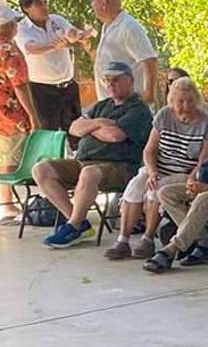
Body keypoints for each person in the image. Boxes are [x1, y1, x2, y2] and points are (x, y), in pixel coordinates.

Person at [31, 61, 152, 248]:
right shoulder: (102, 106)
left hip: (120, 165)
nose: (110, 84)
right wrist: (100, 123)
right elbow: (74, 128)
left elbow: (115, 135)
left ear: (130, 81)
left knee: (89, 173)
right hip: (84, 160)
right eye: (107, 80)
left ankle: (73, 225)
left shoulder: (138, 109)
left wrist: (89, 128)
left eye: (116, 79)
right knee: (41, 169)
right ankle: (78, 223)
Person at [103, 77, 208, 260]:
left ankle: (148, 239)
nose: (185, 106)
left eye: (190, 101)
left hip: (185, 174)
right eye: (180, 101)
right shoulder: (164, 115)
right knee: (135, 187)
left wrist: (192, 176)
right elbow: (149, 151)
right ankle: (123, 240)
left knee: (155, 189)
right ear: (172, 101)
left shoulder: (207, 123)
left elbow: (205, 162)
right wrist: (152, 171)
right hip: (158, 169)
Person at [144, 137, 208, 274]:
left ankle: (172, 248)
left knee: (204, 198)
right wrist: (192, 181)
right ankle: (204, 242)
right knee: (166, 192)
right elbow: (206, 165)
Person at [14, 0, 89, 134]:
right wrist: (54, 46)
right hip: (42, 90)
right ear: (26, 8)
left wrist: (76, 35)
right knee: (48, 132)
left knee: (77, 130)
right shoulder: (22, 29)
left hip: (68, 86)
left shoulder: (56, 20)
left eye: (45, 3)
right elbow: (31, 48)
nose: (44, 7)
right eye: (39, 4)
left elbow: (71, 31)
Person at [1, 6, 41, 224]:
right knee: (11, 157)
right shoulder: (9, 51)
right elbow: (20, 85)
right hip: (10, 115)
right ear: (7, 25)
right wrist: (33, 115)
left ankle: (6, 202)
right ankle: (7, 204)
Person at [90, 0, 157, 102]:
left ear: (103, 4)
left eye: (93, 2)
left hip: (129, 102)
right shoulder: (107, 26)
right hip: (110, 101)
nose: (91, 6)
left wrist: (149, 94)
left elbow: (149, 60)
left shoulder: (128, 27)